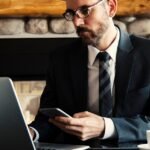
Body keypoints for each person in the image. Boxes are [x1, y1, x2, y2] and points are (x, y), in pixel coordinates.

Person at [30, 0, 150, 146]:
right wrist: (31, 133)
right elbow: (48, 118)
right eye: (71, 13)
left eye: (85, 10)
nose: (76, 22)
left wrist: (106, 127)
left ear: (111, 8)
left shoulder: (147, 54)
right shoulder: (60, 58)